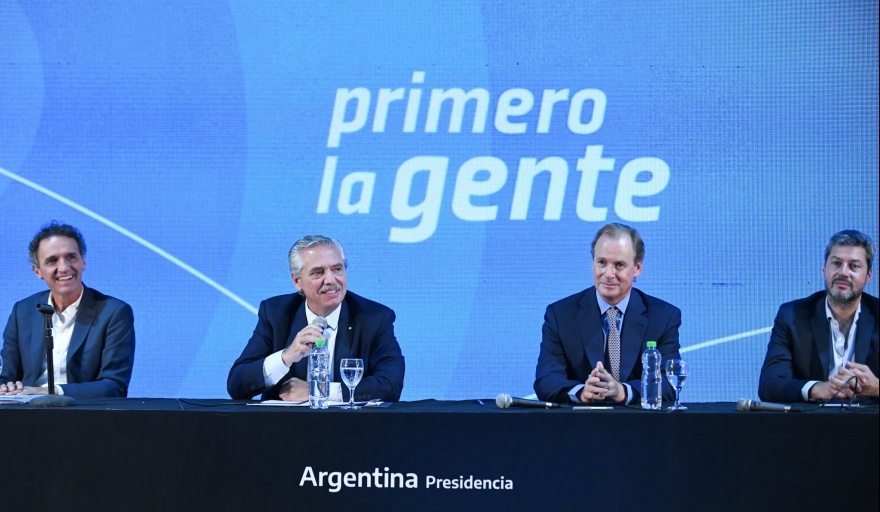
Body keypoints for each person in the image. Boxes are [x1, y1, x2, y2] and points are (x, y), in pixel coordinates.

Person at [227, 235, 405, 402]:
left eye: (337, 269)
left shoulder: (374, 317)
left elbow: (390, 385)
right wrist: (286, 356)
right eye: (318, 272)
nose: (330, 279)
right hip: (284, 430)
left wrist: (320, 390)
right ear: (297, 281)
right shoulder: (276, 313)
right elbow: (237, 385)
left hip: (352, 429)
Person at [534, 223, 681, 405]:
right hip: (579, 426)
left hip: (641, 426)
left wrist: (623, 392)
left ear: (637, 268)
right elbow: (546, 380)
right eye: (602, 263)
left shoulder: (663, 317)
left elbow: (670, 383)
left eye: (619, 265)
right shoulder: (560, 315)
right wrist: (581, 392)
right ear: (593, 263)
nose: (608, 274)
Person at [0, 222, 136, 398]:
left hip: (83, 416)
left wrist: (52, 391)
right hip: (29, 415)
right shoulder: (22, 311)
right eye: (52, 260)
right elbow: (5, 377)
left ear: (83, 262)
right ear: (37, 271)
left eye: (71, 257)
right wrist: (6, 388)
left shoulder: (114, 313)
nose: (63, 267)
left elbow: (114, 386)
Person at [759, 230, 879, 403]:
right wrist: (816, 389)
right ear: (824, 269)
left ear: (868, 276)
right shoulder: (792, 315)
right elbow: (769, 385)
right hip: (812, 425)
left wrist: (877, 387)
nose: (843, 272)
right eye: (836, 263)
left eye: (854, 266)